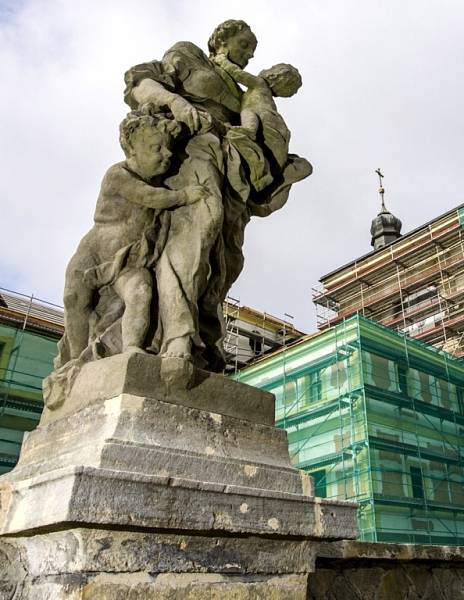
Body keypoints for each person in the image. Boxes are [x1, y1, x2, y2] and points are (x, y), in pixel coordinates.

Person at [122, 19, 311, 370]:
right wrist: (175, 103)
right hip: (193, 150)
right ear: (220, 41)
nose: (249, 56)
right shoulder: (189, 56)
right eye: (244, 46)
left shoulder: (244, 93)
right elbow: (140, 84)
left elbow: (259, 122)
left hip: (233, 170)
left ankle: (205, 336)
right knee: (200, 226)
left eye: (252, 53)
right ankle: (177, 334)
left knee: (229, 259)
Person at [46, 111, 204, 407]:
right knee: (75, 302)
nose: (165, 154)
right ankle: (74, 360)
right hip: (93, 257)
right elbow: (150, 197)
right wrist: (186, 195)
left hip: (129, 261)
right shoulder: (119, 174)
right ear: (132, 149)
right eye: (155, 148)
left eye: (168, 148)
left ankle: (132, 346)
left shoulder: (161, 181)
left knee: (141, 292)